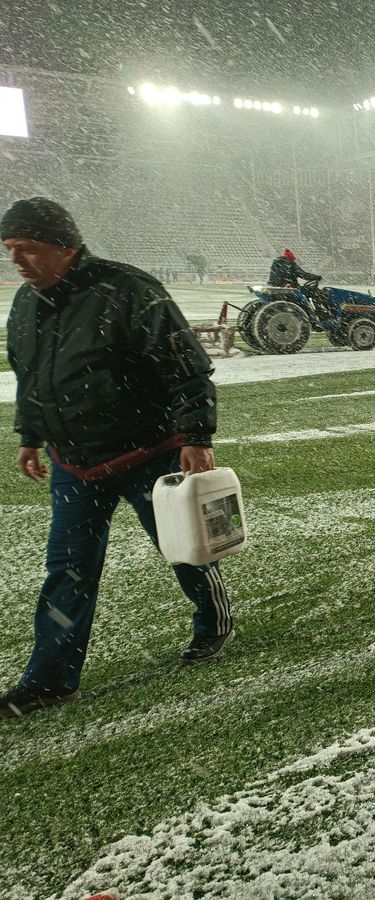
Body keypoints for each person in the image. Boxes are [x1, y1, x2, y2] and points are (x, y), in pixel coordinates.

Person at [2, 198, 233, 717]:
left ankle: (214, 621)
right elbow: (32, 376)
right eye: (11, 249)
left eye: (28, 249)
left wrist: (195, 435)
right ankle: (50, 679)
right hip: (75, 463)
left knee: (184, 548)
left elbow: (185, 366)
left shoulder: (128, 290)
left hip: (147, 450)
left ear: (65, 247)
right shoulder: (26, 304)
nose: (17, 260)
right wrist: (31, 435)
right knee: (68, 568)